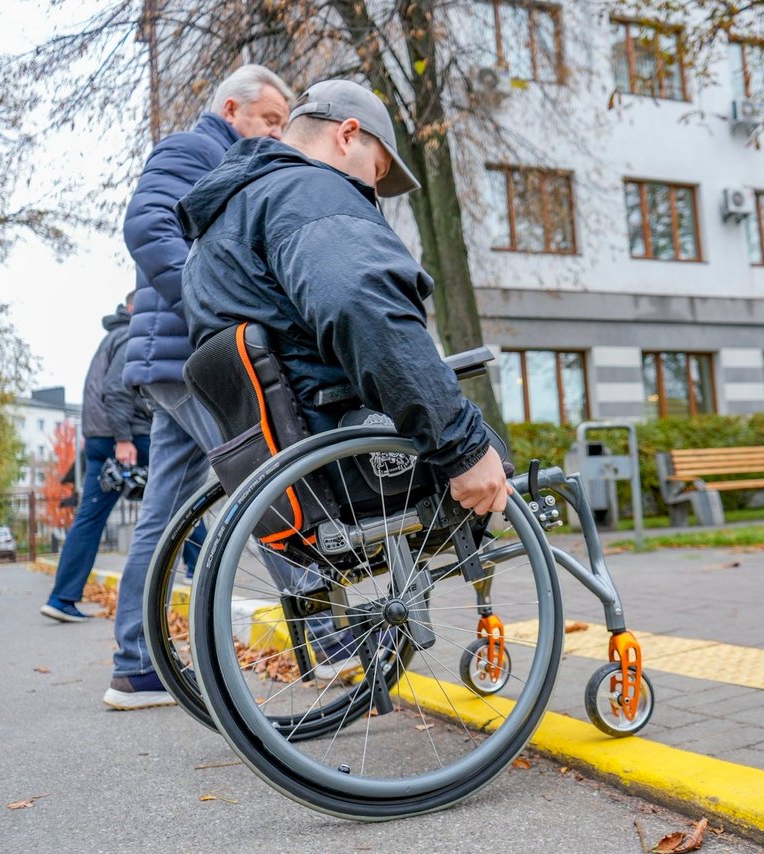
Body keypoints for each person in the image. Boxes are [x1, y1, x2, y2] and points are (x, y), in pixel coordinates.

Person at [178, 79, 511, 527]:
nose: (370, 194)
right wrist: (462, 445)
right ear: (347, 134)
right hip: (354, 465)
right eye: (375, 172)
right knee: (512, 469)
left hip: (288, 475)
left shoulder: (222, 224)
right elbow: (369, 315)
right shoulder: (311, 195)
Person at [104, 65, 294, 711]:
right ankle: (327, 633)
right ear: (233, 108)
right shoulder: (193, 149)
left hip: (177, 358)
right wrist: (214, 309)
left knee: (162, 518)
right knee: (264, 476)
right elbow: (148, 228)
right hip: (193, 357)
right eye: (270, 120)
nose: (277, 133)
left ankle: (134, 666)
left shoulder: (231, 162)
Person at [41, 292, 151, 622]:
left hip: (100, 440)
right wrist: (123, 439)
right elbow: (116, 390)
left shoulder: (112, 337)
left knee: (88, 519)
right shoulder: (129, 334)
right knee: (174, 496)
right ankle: (197, 565)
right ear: (132, 307)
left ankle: (62, 598)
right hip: (124, 437)